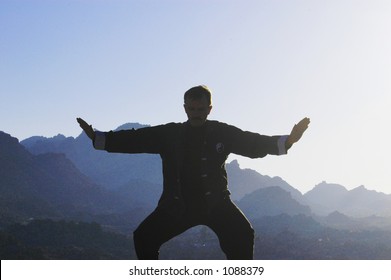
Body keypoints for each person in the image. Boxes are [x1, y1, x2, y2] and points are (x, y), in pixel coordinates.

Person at [77, 85, 310, 260]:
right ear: (185, 108)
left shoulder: (222, 132)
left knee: (243, 234)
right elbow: (137, 139)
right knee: (143, 237)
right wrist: (100, 138)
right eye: (191, 108)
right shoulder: (169, 134)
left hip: (217, 204)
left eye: (201, 109)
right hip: (177, 206)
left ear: (209, 109)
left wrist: (288, 141)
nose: (196, 113)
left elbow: (251, 143)